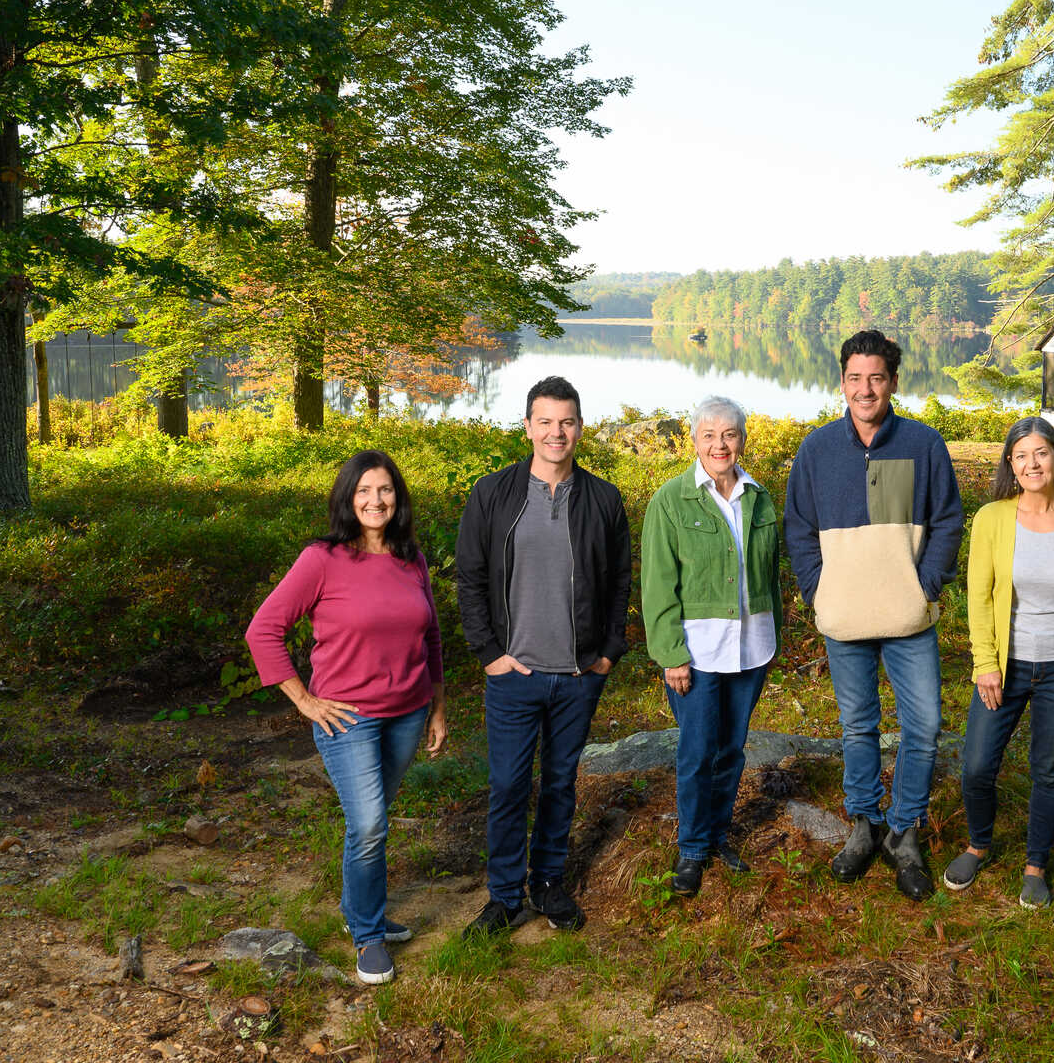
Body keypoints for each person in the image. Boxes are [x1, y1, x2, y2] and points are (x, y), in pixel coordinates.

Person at [245, 450, 448, 985]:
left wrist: (438, 703)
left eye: (384, 490)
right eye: (363, 491)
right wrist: (305, 701)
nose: (375, 501)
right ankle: (368, 936)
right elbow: (262, 630)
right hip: (347, 718)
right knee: (369, 824)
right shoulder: (323, 559)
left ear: (397, 498)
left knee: (372, 825)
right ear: (347, 498)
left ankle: (364, 912)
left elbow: (430, 636)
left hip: (408, 711)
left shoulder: (412, 559)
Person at [784, 329, 963, 901]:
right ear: (842, 382)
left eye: (877, 378)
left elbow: (947, 523)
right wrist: (819, 591)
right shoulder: (816, 451)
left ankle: (904, 830)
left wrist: (925, 586)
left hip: (909, 619)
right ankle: (864, 823)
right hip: (845, 618)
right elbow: (799, 530)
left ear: (892, 382)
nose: (866, 389)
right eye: (856, 378)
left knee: (925, 727)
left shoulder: (924, 445)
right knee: (857, 726)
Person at [456, 376, 631, 937]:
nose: (557, 432)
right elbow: (471, 577)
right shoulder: (493, 493)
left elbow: (621, 580)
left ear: (580, 426)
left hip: (578, 675)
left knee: (560, 781)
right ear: (528, 425)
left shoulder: (604, 499)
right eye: (546, 421)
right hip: (514, 674)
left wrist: (606, 652)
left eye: (567, 421)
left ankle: (548, 883)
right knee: (508, 785)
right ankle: (504, 897)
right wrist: (489, 653)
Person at [942, 416, 1054, 909]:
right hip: (1005, 666)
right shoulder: (992, 518)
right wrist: (985, 662)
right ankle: (979, 844)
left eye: (1041, 452)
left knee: (1048, 768)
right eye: (1021, 455)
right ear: (1011, 466)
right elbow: (978, 597)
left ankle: (1036, 865)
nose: (1032, 463)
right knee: (975, 767)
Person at [640, 396, 781, 898]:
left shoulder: (758, 498)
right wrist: (670, 653)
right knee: (698, 751)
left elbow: (769, 576)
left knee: (731, 749)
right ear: (693, 440)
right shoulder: (671, 500)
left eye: (730, 435)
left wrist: (774, 634)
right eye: (709, 435)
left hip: (752, 648)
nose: (720, 445)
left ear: (743, 439)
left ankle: (718, 834)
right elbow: (657, 585)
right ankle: (693, 848)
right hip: (697, 653)